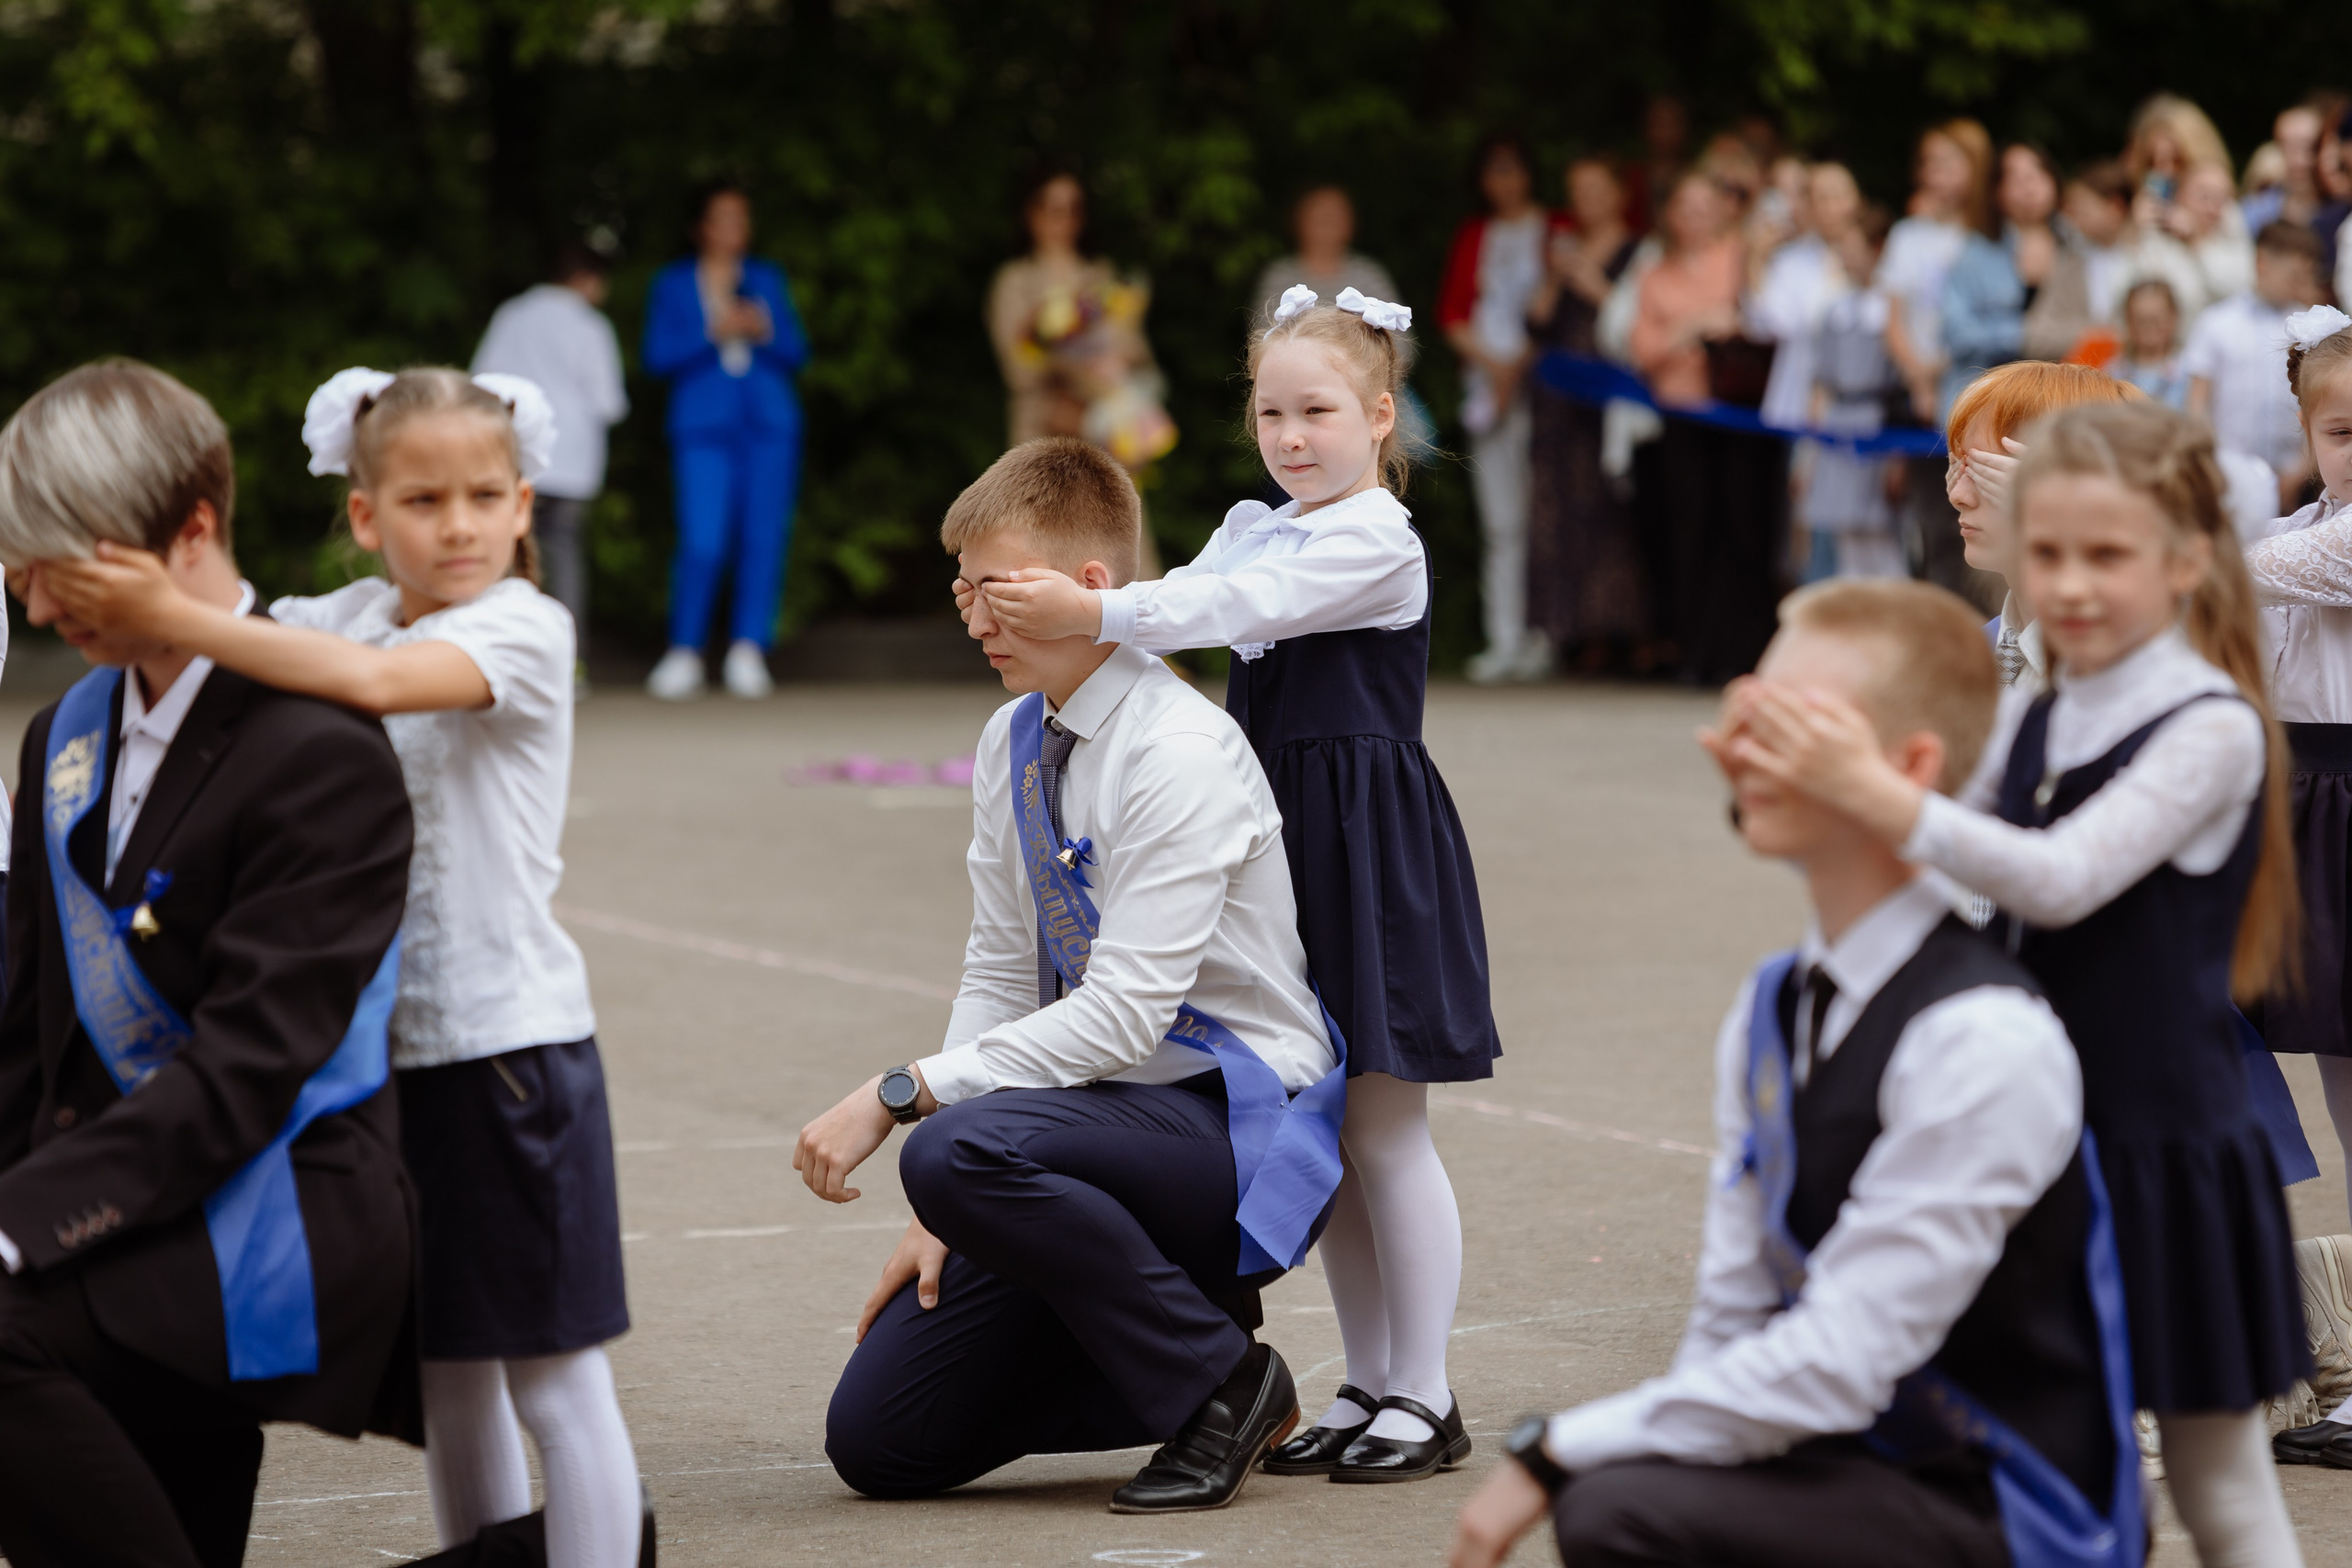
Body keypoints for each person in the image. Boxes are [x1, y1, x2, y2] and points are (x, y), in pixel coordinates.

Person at [41, 367, 647, 1568]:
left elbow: (364, 684)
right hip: (393, 1067)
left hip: (510, 1054)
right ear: (366, 516)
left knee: (558, 1380)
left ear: (528, 505)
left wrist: (164, 606)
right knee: (450, 1385)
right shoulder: (350, 613)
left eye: (486, 494)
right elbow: (255, 643)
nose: (460, 524)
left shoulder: (524, 626)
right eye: (423, 499)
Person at [1448, 578, 2137, 1568]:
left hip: (2010, 1510)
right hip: (1857, 1465)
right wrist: (1625, 1448)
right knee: (1626, 1492)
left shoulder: (1983, 1035)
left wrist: (1557, 1450)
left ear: (1906, 768)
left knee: (1616, 1505)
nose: (1744, 751)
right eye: (1747, 713)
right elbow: (1732, 1320)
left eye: (1795, 726)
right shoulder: (1773, 1002)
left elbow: (1846, 1358)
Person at [1726, 400, 2310, 1566]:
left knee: (2218, 1487)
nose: (2073, 584)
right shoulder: (2043, 708)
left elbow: (2055, 878)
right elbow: (1947, 859)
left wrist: (1876, 792)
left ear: (2186, 562)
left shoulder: (2212, 728)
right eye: (2048, 554)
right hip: (2038, 1130)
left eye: (2106, 555)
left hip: (2158, 1146)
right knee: (2055, 1470)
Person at [964, 288, 1501, 1483]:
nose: (1291, 435)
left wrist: (1092, 604)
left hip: (1365, 838)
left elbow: (1216, 610)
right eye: (1270, 411)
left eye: (1317, 411)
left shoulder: (1374, 536)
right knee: (1329, 1120)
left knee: (1386, 1122)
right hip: (1276, 838)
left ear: (1378, 416)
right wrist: (1066, 623)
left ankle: (1425, 1388)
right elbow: (1186, 607)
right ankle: (1368, 1378)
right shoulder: (1258, 522)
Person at [811, 438, 1345, 1512]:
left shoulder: (1175, 750)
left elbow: (1123, 1017)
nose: (974, 622)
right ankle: (1178, 1339)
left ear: (1090, 587)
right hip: (1090, 1139)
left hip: (1232, 1130)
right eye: (963, 591)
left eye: (998, 591)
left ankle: (1224, 1385)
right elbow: (1001, 966)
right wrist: (951, 1207)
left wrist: (902, 1095)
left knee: (959, 1143)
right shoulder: (1012, 735)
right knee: (882, 1443)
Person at [0, 360, 418, 1568]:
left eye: (63, 571)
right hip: (124, 1200)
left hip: (274, 1203)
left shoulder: (318, 747)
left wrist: (15, 1227)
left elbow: (248, 1068)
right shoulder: (64, 727)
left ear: (189, 533)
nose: (36, 612)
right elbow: (24, 1030)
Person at [2231, 308, 2352, 1472]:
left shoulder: (2326, 544)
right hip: (2313, 808)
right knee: (2341, 1088)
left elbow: (2224, 569)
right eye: (2340, 429)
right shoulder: (2301, 524)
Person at [641, 182, 811, 702]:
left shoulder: (766, 278)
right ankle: (685, 650)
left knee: (763, 537)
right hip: (703, 427)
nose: (735, 227)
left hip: (768, 424)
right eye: (724, 217)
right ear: (702, 227)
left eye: (742, 217)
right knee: (702, 539)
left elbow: (797, 350)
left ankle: (747, 650)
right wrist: (712, 330)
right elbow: (655, 356)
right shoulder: (673, 283)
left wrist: (764, 328)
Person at [1632, 170, 1782, 682]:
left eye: (1705, 207)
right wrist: (1692, 328)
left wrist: (1716, 325)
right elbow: (1643, 350)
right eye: (1685, 207)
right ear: (1670, 216)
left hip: (1742, 420)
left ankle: (1747, 655)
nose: (1696, 217)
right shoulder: (1656, 274)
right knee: (1691, 532)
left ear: (1721, 211)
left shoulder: (1740, 257)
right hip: (1684, 421)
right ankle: (1696, 653)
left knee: (1745, 530)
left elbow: (1765, 317)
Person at [473, 242, 630, 689]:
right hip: (574, 461)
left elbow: (480, 381)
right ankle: (568, 668)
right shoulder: (591, 325)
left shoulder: (513, 315)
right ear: (586, 279)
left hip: (516, 456)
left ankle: (500, 660)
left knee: (507, 557)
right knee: (564, 558)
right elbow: (609, 402)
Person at [1441, 136, 1567, 683]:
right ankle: (1504, 637)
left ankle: (1547, 637)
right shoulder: (1474, 235)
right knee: (1500, 517)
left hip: (1549, 388)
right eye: (1494, 171)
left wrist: (1520, 364)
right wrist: (1495, 368)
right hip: (1488, 389)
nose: (1505, 182)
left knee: (1548, 512)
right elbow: (1453, 315)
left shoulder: (1556, 229)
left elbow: (1561, 312)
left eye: (1513, 170)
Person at [1940, 361, 2143, 688]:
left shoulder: (2126, 667)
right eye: (1957, 467)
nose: (1959, 497)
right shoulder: (1977, 653)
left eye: (1987, 471)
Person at [1527, 155, 1647, 668]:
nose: (1588, 202)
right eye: (1578, 191)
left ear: (1620, 193)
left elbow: (1636, 318)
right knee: (1559, 512)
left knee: (1610, 511)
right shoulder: (1561, 248)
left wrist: (1593, 281)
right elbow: (1535, 322)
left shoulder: (1639, 250)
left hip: (1610, 398)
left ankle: (1619, 631)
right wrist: (1556, 278)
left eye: (1598, 190)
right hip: (1559, 401)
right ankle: (1568, 632)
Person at [1881, 119, 1992, 603]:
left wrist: (1948, 367)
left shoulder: (1987, 236)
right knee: (1936, 510)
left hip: (1977, 383)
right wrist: (1920, 376)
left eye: (1947, 161)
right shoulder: (1908, 235)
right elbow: (1894, 316)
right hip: (1922, 391)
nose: (1934, 173)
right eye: (1929, 162)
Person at [2188, 220, 2329, 512]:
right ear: (2263, 262)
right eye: (2293, 275)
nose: (2299, 285)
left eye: (2305, 276)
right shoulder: (2216, 322)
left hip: (2292, 479)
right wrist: (2214, 463)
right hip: (2228, 474)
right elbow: (2197, 404)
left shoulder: (2308, 328)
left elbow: (2319, 401)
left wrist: (2301, 469)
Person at [1798, 208, 1906, 581]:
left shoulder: (1892, 308)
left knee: (1879, 531)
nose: (1843, 254)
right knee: (1845, 533)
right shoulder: (1835, 309)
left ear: (1875, 249)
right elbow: (1820, 382)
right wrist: (1809, 455)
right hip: (1839, 422)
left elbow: (1900, 386)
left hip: (1877, 422)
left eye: (1851, 246)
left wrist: (1898, 454)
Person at [1939, 143, 2065, 412]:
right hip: (1986, 400)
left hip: (2059, 404)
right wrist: (2026, 335)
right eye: (2016, 178)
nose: (2029, 185)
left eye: (2037, 173)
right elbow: (1958, 332)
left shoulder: (2077, 247)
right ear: (1997, 191)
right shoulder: (1975, 253)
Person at [1252, 186, 1404, 335]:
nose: (1327, 224)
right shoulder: (1278, 276)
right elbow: (1263, 334)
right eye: (1319, 217)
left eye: (1335, 217)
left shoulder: (1370, 275)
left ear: (1351, 224)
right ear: (1297, 222)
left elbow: (1398, 340)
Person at [2061, 161, 2138, 329]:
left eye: (2084, 212)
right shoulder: (2073, 259)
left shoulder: (2147, 255)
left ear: (2115, 207)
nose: (2077, 220)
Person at [2242, 102, 2327, 233]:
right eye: (2290, 149)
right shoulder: (2254, 212)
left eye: (2311, 148)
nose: (2300, 161)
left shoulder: (2343, 208)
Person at [2115, 278, 2188, 407]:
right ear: (2128, 321)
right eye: (2141, 320)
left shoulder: (2191, 369)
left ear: (2174, 317)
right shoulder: (2114, 372)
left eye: (2156, 320)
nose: (2149, 328)